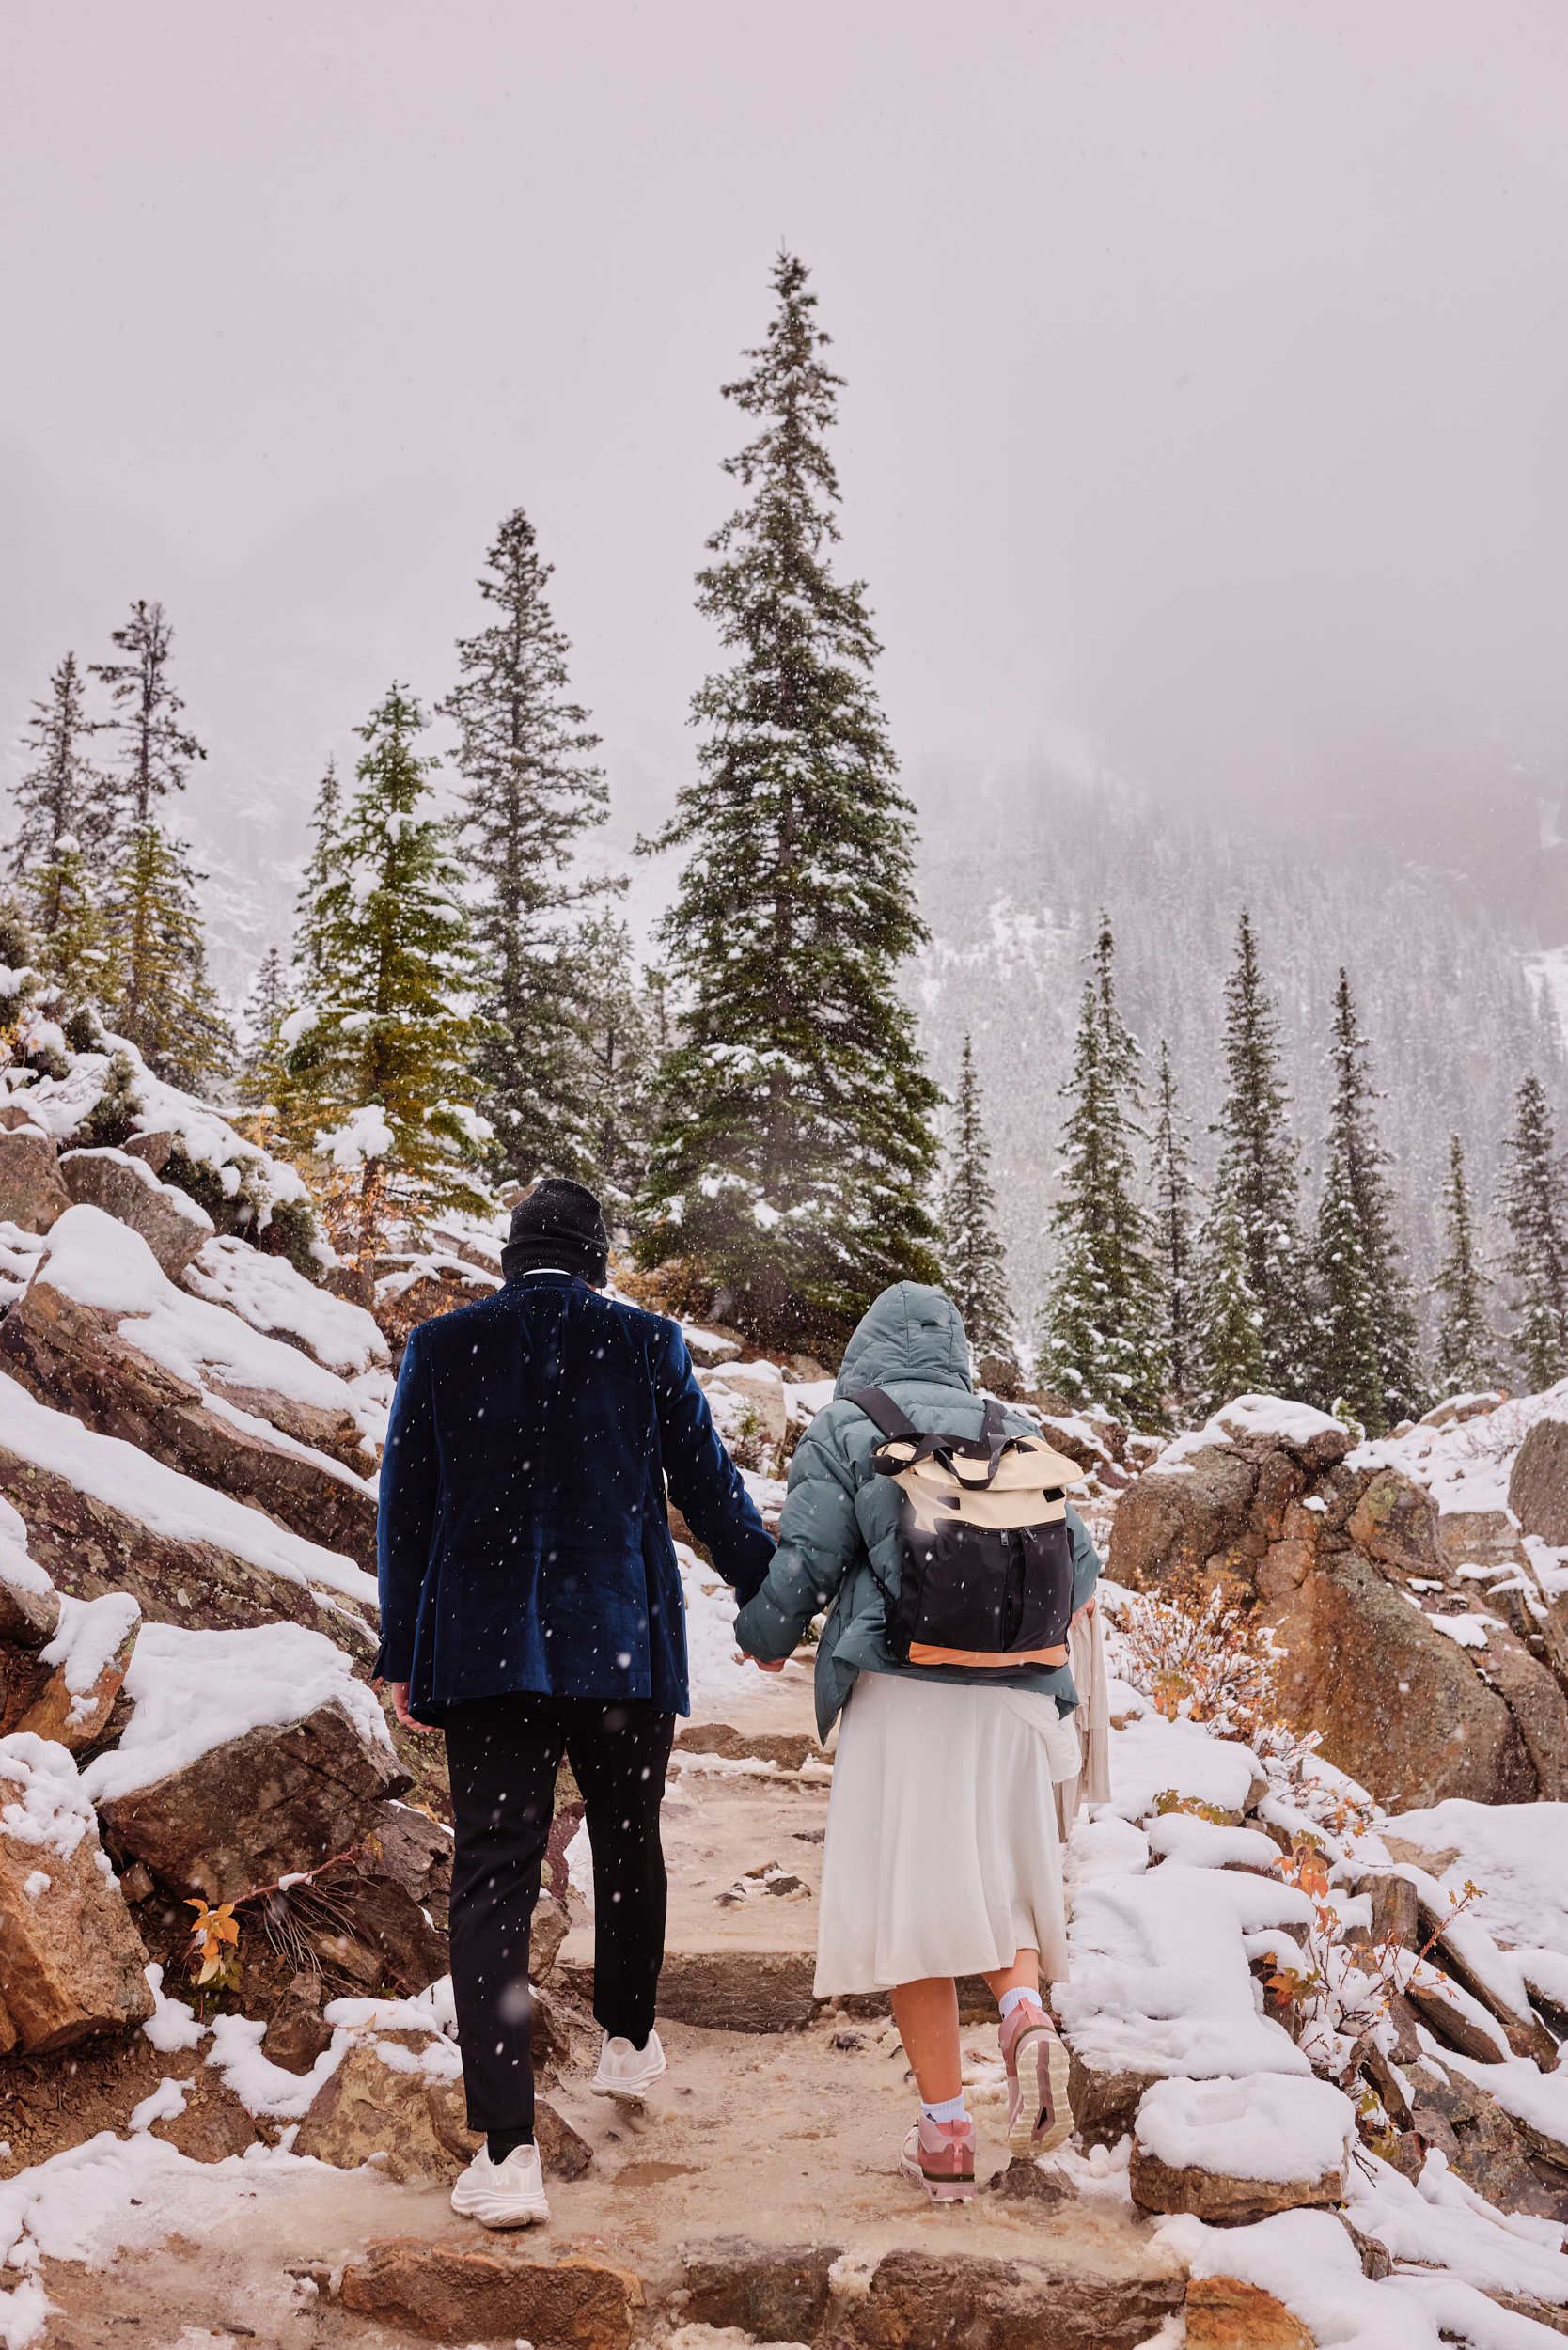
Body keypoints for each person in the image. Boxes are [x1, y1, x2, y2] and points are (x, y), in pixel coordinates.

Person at [374, 1178, 775, 2229]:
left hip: (485, 1648)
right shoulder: (648, 1344)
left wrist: (401, 1650)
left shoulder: (442, 1345)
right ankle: (630, 2041)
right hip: (619, 1646)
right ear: (596, 1256)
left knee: (493, 1873)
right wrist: (769, 1594)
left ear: (512, 1256)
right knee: (629, 1833)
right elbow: (709, 1487)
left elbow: (405, 1509)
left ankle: (507, 2152)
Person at [734, 1281, 1099, 2203]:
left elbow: (807, 1559)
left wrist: (766, 1637)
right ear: (958, 1351)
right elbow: (1083, 1570)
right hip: (1017, 1696)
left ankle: (944, 2133)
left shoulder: (850, 1423)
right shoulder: (1009, 1424)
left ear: (866, 1350)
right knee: (1000, 1881)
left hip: (905, 1691)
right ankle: (1022, 2013)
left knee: (914, 1907)